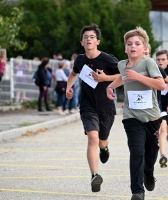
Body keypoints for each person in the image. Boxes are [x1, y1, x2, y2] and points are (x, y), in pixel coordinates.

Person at [106, 27, 166, 200]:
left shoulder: (148, 63)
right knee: (136, 151)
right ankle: (137, 191)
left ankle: (148, 172)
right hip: (131, 116)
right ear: (125, 48)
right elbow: (123, 76)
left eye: (137, 44)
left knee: (151, 153)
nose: (133, 46)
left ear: (144, 48)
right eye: (129, 44)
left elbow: (161, 85)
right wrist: (111, 87)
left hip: (152, 117)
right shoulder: (122, 65)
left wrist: (138, 77)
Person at [66, 24, 120, 193]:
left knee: (102, 141)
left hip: (106, 107)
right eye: (85, 37)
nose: (88, 39)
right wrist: (68, 88)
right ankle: (94, 175)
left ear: (98, 41)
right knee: (92, 139)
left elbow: (124, 75)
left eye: (91, 37)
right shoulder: (80, 60)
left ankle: (105, 149)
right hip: (87, 106)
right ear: (82, 42)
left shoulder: (108, 59)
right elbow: (73, 74)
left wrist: (105, 77)